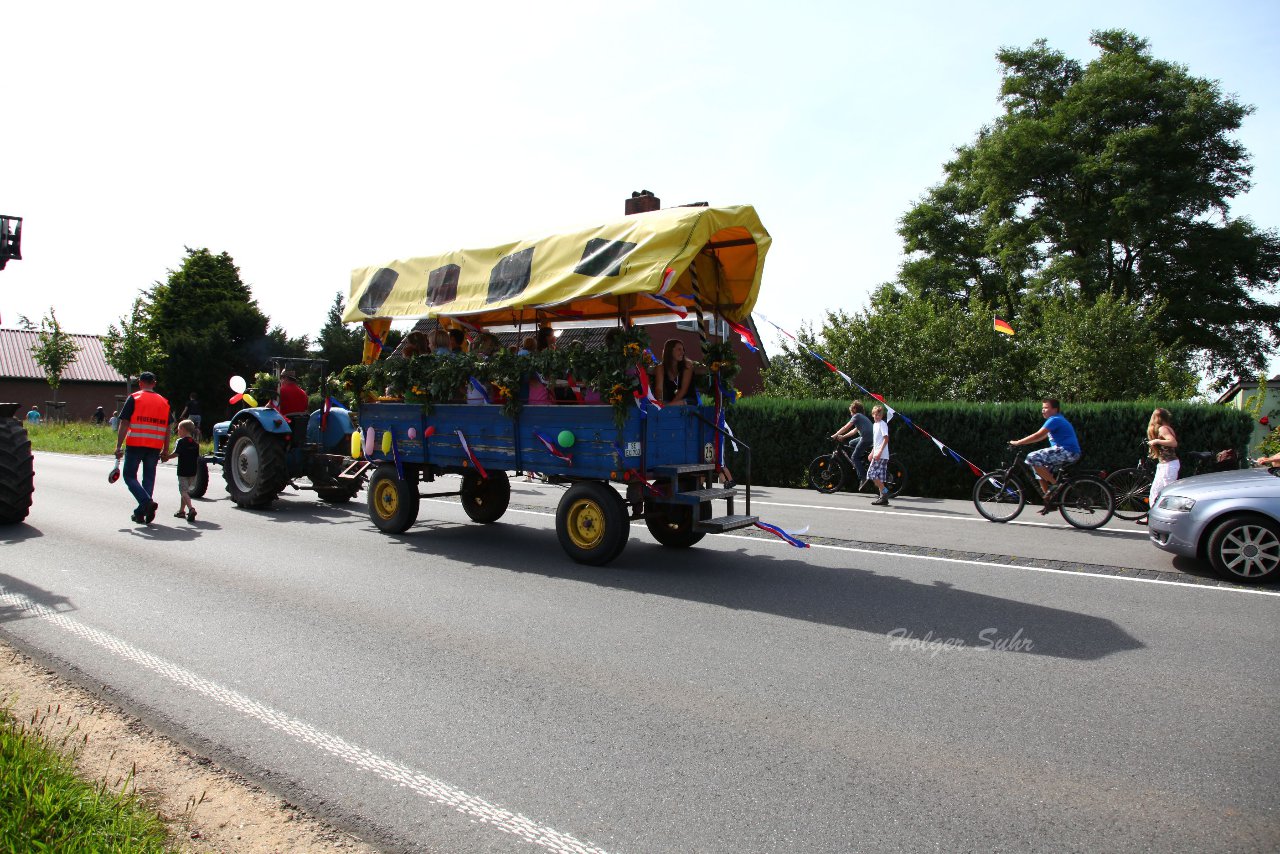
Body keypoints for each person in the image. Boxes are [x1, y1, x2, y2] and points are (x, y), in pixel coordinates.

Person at [115, 372, 172, 524]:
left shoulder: (134, 398)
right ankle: (141, 512)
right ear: (154, 383)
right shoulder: (164, 402)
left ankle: (146, 503)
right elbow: (168, 428)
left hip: (135, 444)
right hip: (154, 446)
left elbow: (124, 423)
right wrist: (166, 450)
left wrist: (118, 446)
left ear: (140, 383)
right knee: (148, 479)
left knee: (129, 476)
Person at [1009, 398, 1081, 515]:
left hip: (1067, 451)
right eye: (1042, 408)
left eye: (1046, 408)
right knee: (1040, 470)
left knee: (1032, 457)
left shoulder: (1054, 419)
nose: (1043, 410)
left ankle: (1056, 486)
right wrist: (1024, 442)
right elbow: (1040, 437)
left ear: (1055, 409)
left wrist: (1018, 442)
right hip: (1067, 452)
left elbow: (1038, 434)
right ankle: (1049, 501)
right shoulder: (1056, 420)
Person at [1138, 408, 1179, 525]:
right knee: (1155, 491)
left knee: (1168, 492)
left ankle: (1171, 519)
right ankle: (1151, 517)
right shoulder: (1164, 428)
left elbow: (1173, 442)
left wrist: (1156, 441)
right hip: (1164, 465)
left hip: (1169, 465)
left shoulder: (1163, 428)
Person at [832, 400, 874, 489]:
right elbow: (854, 431)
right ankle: (860, 462)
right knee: (851, 443)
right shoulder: (861, 417)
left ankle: (863, 477)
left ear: (854, 409)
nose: (850, 413)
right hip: (869, 437)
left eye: (851, 411)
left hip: (866, 438)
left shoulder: (857, 416)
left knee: (854, 457)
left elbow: (846, 427)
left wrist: (835, 435)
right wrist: (843, 436)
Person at [164, 419, 200, 522]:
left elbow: (176, 453)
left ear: (183, 429)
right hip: (192, 471)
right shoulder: (195, 443)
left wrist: (167, 457)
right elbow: (197, 457)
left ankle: (191, 509)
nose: (178, 431)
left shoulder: (180, 441)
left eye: (178, 429)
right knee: (186, 491)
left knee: (183, 491)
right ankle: (181, 511)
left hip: (183, 471)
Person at [654, 339, 695, 405]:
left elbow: (683, 390)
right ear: (670, 351)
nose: (683, 352)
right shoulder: (660, 368)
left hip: (687, 400)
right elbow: (659, 389)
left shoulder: (687, 365)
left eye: (683, 350)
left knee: (679, 403)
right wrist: (659, 401)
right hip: (669, 401)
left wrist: (669, 405)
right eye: (679, 349)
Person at [867, 404, 892, 506]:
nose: (877, 416)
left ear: (882, 416)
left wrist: (879, 452)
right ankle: (883, 498)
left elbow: (886, 438)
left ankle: (885, 493)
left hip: (881, 455)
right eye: (875, 414)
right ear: (872, 414)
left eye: (879, 415)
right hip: (877, 454)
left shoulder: (882, 424)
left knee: (871, 474)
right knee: (879, 477)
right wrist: (872, 452)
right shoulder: (875, 425)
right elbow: (876, 441)